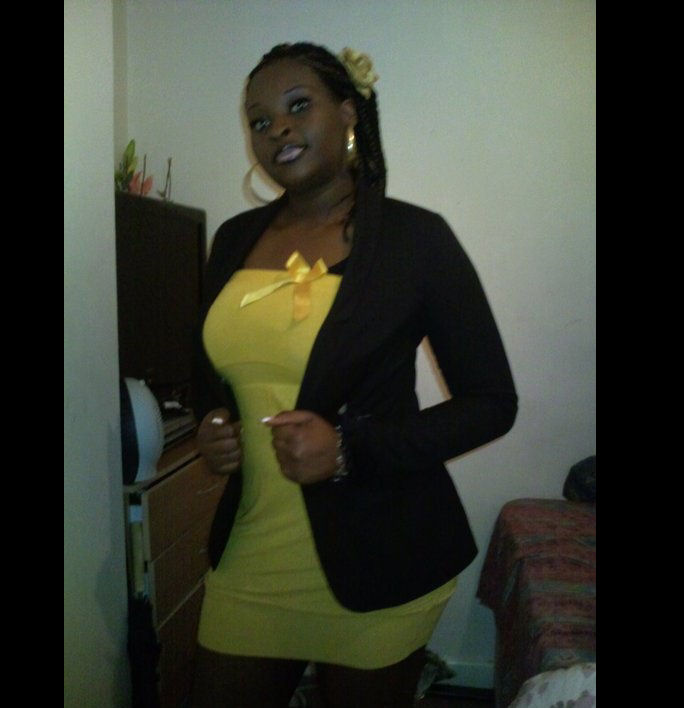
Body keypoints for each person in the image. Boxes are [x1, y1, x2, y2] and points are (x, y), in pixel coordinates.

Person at [190, 42, 517, 708]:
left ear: (348, 113)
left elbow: (491, 402)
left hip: (381, 557)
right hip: (252, 552)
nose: (277, 129)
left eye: (298, 106)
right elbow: (213, 375)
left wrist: (348, 449)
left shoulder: (415, 240)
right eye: (259, 120)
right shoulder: (232, 240)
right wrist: (212, 426)